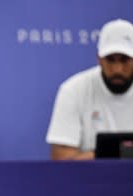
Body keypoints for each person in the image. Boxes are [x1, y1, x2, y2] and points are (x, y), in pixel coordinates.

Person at [46, 19, 133, 160]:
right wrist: (110, 155)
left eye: (124, 60)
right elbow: (60, 160)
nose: (117, 69)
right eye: (110, 59)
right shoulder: (73, 90)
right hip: (89, 180)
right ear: (99, 59)